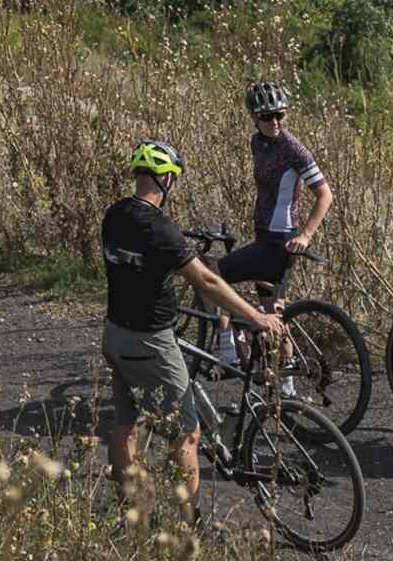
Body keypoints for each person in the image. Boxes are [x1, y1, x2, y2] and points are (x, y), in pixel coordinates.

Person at [101, 140, 284, 514]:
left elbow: (143, 265)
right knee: (187, 432)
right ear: (165, 178)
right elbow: (208, 282)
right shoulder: (159, 227)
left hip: (115, 335)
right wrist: (256, 316)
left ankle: (129, 511)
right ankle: (186, 524)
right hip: (151, 343)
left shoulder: (114, 215)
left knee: (125, 424)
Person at [212, 81, 334, 396]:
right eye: (267, 117)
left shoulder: (293, 148)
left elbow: (325, 195)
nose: (275, 122)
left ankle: (228, 354)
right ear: (254, 117)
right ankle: (288, 389)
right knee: (273, 314)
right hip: (263, 237)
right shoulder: (257, 142)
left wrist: (305, 235)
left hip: (280, 243)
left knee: (213, 274)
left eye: (280, 114)